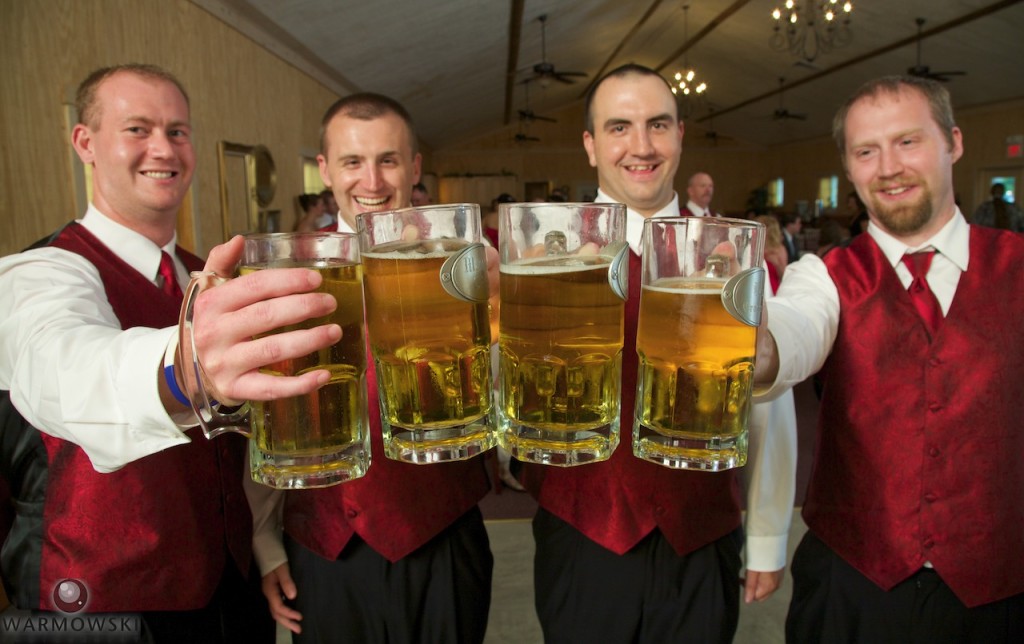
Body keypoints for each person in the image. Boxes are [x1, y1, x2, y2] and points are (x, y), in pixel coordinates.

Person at [0, 63, 276, 642]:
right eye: (138, 129)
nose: (164, 148)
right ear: (85, 142)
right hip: (97, 607)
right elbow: (67, 367)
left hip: (230, 590)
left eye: (178, 131)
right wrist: (186, 371)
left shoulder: (209, 275)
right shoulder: (41, 274)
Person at [523, 63, 796, 643]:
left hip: (702, 535)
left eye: (658, 125)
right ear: (591, 146)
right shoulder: (542, 253)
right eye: (619, 127)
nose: (641, 146)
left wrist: (770, 535)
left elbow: (769, 400)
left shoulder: (730, 249)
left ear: (680, 135)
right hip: (582, 535)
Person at [755, 75, 1024, 642]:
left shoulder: (1018, 266)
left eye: (908, 142)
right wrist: (755, 346)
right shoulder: (823, 276)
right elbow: (795, 326)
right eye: (865, 152)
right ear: (850, 170)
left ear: (953, 142)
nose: (888, 167)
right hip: (852, 587)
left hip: (1001, 590)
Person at [248, 93, 496, 643]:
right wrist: (265, 546)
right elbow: (264, 409)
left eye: (388, 160)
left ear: (414, 167)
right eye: (353, 162)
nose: (373, 181)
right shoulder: (289, 269)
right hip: (325, 543)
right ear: (325, 170)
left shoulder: (465, 259)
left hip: (445, 531)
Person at [755, 213, 788, 292]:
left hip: (772, 287)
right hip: (755, 285)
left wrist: (776, 264)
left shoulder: (779, 249)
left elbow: (784, 275)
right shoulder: (753, 246)